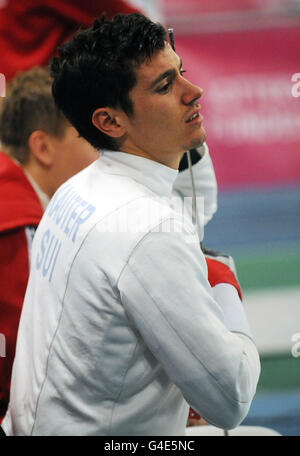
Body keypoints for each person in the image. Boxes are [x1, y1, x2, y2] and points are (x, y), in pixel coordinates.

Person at [2, 13, 260, 436]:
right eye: (165, 85)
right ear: (110, 121)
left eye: (181, 73)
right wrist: (224, 287)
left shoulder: (75, 190)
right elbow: (231, 399)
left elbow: (187, 209)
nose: (194, 92)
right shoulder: (148, 230)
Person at [0, 66, 99, 420]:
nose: (103, 150)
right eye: (88, 136)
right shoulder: (19, 226)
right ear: (42, 146)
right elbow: (20, 363)